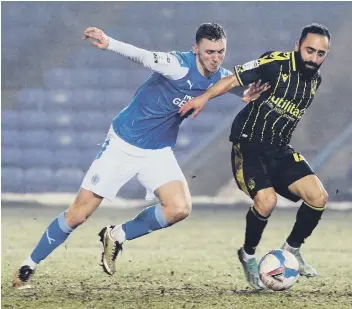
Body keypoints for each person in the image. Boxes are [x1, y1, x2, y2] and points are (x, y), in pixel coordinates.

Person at [13, 23, 267, 289]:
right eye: (209, 52)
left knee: (179, 208)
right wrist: (108, 42)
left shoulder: (220, 76)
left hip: (157, 151)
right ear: (196, 49)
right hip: (123, 143)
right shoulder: (177, 65)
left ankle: (116, 235)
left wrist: (253, 92)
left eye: (220, 52)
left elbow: (239, 86)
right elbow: (143, 56)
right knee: (78, 214)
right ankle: (27, 267)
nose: (215, 58)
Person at [179, 23, 330, 289]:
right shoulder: (276, 63)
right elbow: (233, 79)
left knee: (318, 197)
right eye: (309, 50)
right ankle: (248, 254)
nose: (314, 58)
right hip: (249, 144)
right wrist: (203, 99)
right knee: (266, 201)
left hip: (279, 148)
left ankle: (292, 249)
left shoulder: (314, 82)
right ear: (297, 46)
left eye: (320, 54)